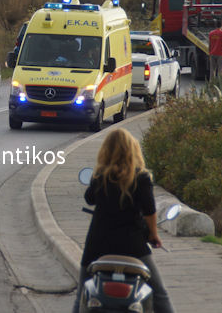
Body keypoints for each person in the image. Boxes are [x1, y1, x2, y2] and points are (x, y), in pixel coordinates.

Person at [73, 129, 175, 313]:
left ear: (106, 150)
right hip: (132, 245)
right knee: (160, 294)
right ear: (133, 149)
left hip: (98, 244)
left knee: (81, 292)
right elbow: (150, 211)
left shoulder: (101, 176)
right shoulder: (141, 177)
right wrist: (153, 235)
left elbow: (89, 199)